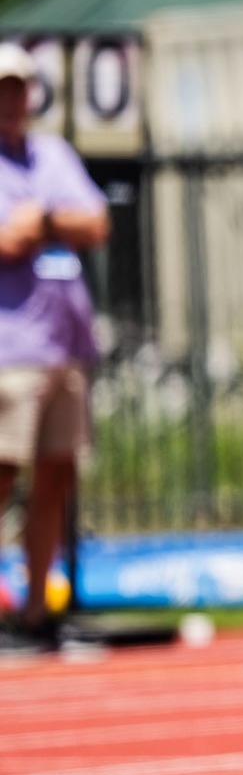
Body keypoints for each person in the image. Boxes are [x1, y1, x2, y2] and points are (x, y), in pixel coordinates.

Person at [0, 42, 109, 652]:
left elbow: (94, 224)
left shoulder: (52, 154)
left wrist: (40, 224)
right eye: (1, 89)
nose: (10, 101)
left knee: (57, 478)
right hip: (9, 348)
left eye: (18, 88)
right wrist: (45, 223)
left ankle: (37, 612)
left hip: (65, 345)